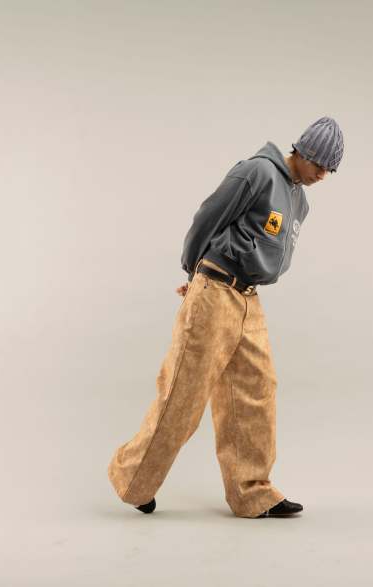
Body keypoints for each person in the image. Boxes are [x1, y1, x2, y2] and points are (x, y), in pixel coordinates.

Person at [107, 116, 344, 518]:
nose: (322, 174)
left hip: (249, 298)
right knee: (184, 394)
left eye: (330, 169)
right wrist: (195, 273)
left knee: (257, 391)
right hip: (216, 289)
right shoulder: (257, 172)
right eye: (319, 163)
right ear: (302, 151)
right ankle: (133, 479)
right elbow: (207, 218)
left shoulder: (299, 200)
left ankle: (252, 492)